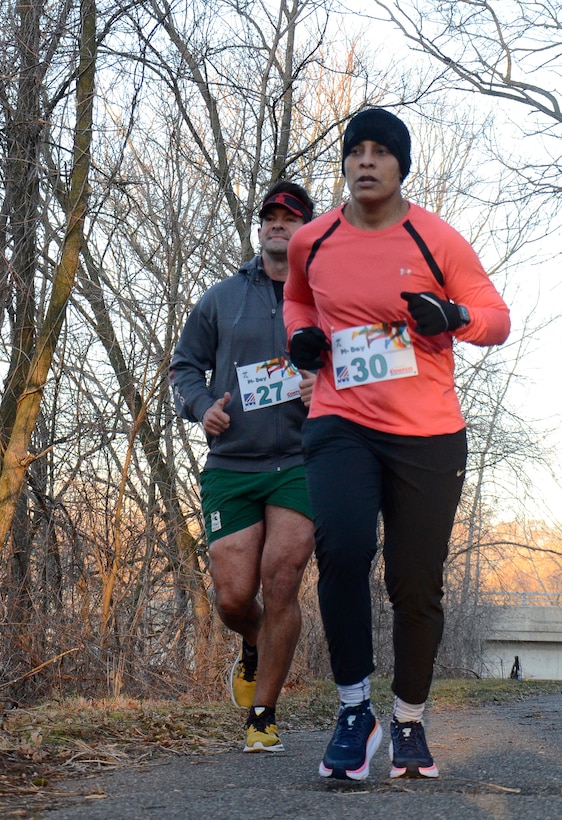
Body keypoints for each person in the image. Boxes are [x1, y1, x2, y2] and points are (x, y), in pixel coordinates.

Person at [284, 108, 510, 781]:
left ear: (401, 166)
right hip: (339, 418)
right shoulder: (313, 240)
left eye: (381, 152)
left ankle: (409, 717)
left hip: (427, 432)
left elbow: (496, 318)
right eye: (356, 151)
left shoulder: (436, 238)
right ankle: (356, 709)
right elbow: (299, 301)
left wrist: (455, 316)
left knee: (415, 583)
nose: (366, 161)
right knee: (343, 547)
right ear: (346, 164)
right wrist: (300, 340)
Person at [170, 180, 316, 753]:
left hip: (303, 459)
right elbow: (184, 367)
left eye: (290, 217)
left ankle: (263, 715)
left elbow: (355, 365)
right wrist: (203, 407)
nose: (278, 224)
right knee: (234, 596)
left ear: (306, 230)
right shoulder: (221, 298)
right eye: (270, 217)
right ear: (260, 229)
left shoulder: (326, 296)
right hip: (233, 462)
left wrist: (320, 387)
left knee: (283, 578)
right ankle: (257, 646)